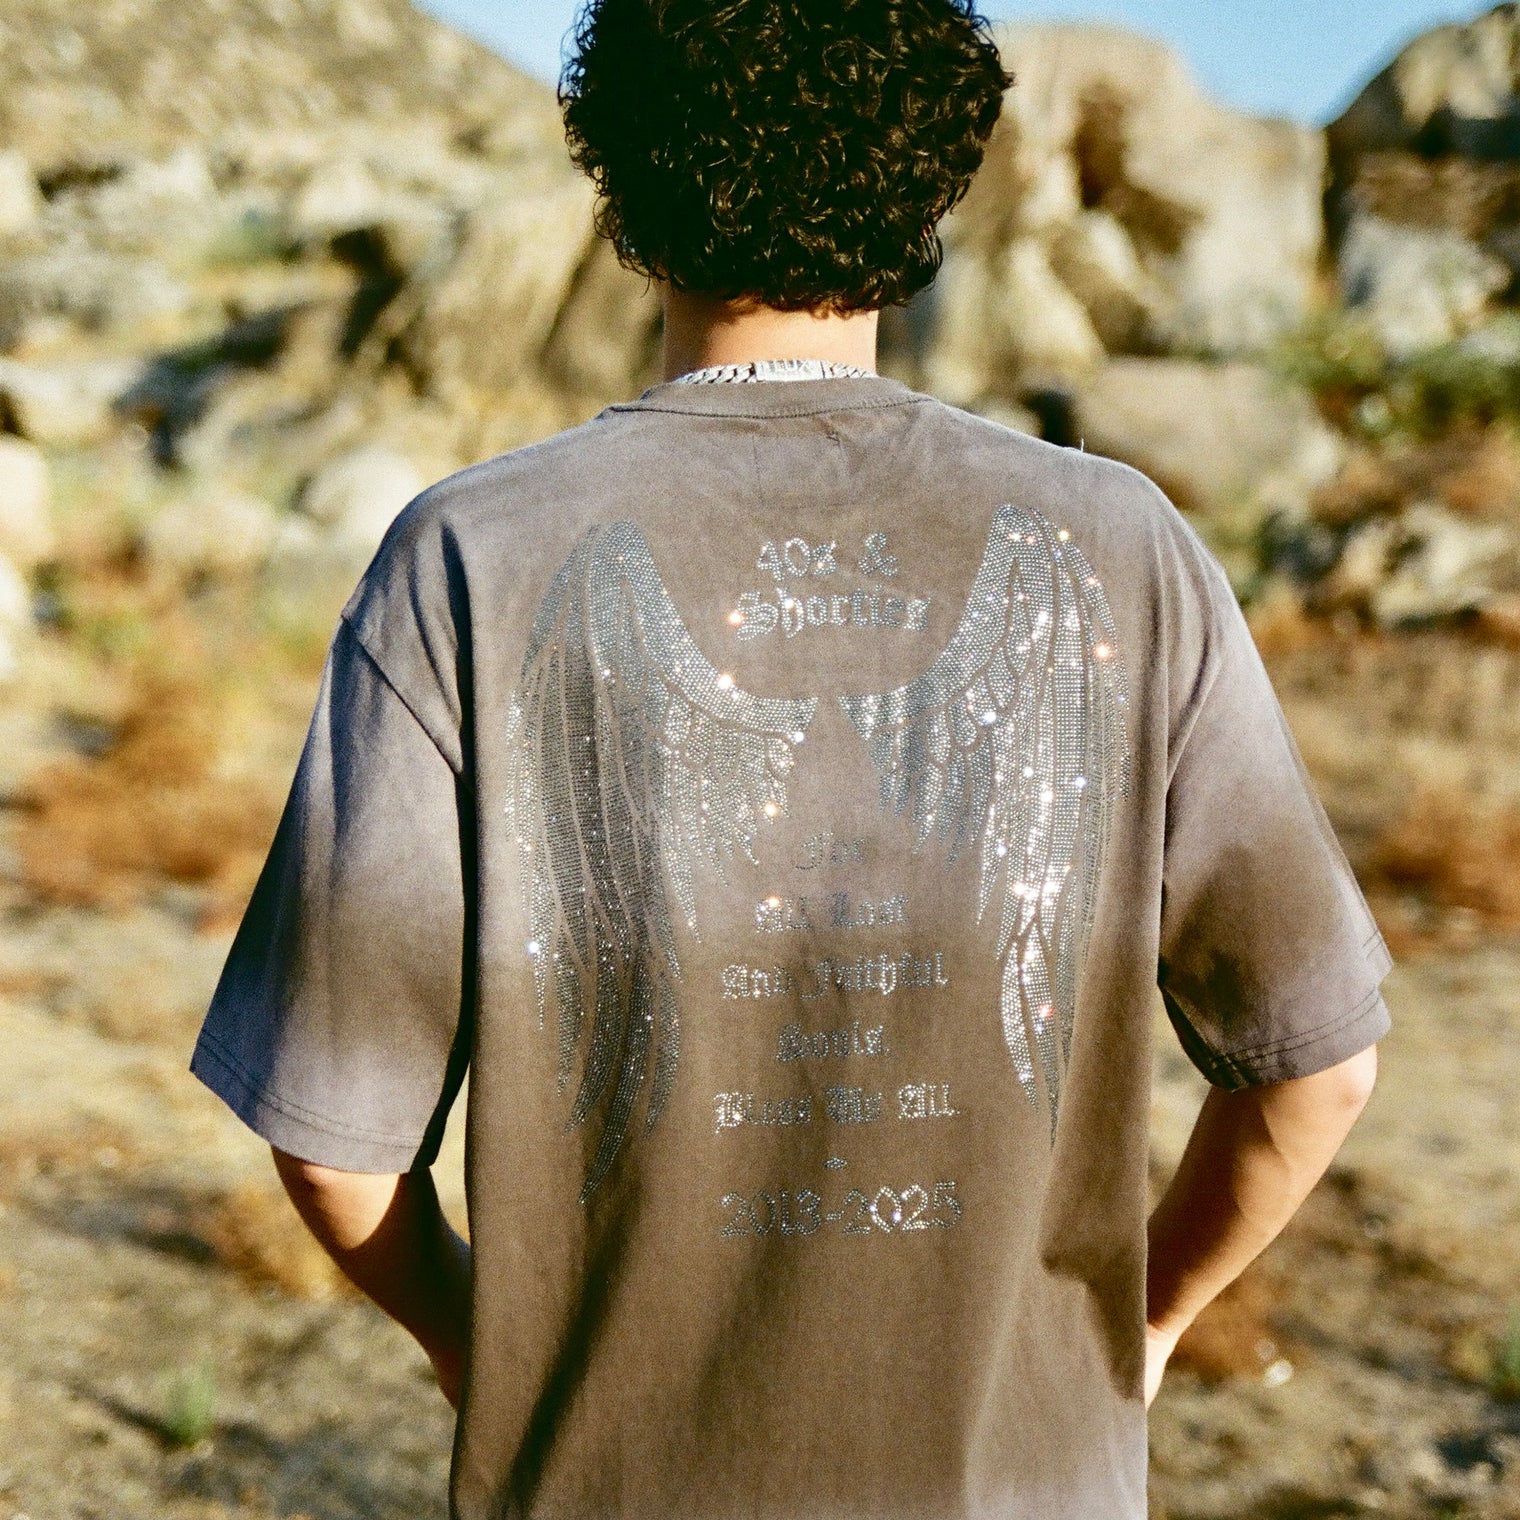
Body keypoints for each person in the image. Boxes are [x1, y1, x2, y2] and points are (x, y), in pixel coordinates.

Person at [189, 1, 1392, 1515]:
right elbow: (1319, 1069)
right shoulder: (1118, 548)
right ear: (933, 180)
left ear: (619, 173)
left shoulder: (472, 558)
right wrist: (1135, 1329)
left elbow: (332, 1143)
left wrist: (475, 1343)